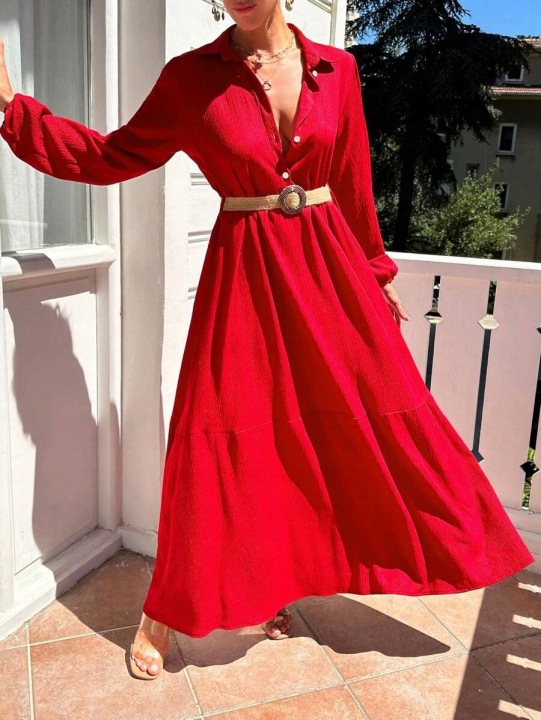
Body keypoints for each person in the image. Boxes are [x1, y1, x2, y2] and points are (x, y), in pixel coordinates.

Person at [0, 0, 534, 682]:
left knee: (369, 419)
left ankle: (280, 581)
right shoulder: (190, 78)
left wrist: (376, 273)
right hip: (246, 277)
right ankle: (165, 610)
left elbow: (351, 182)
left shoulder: (337, 70)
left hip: (329, 272)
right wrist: (13, 107)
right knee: (218, 434)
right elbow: (111, 155)